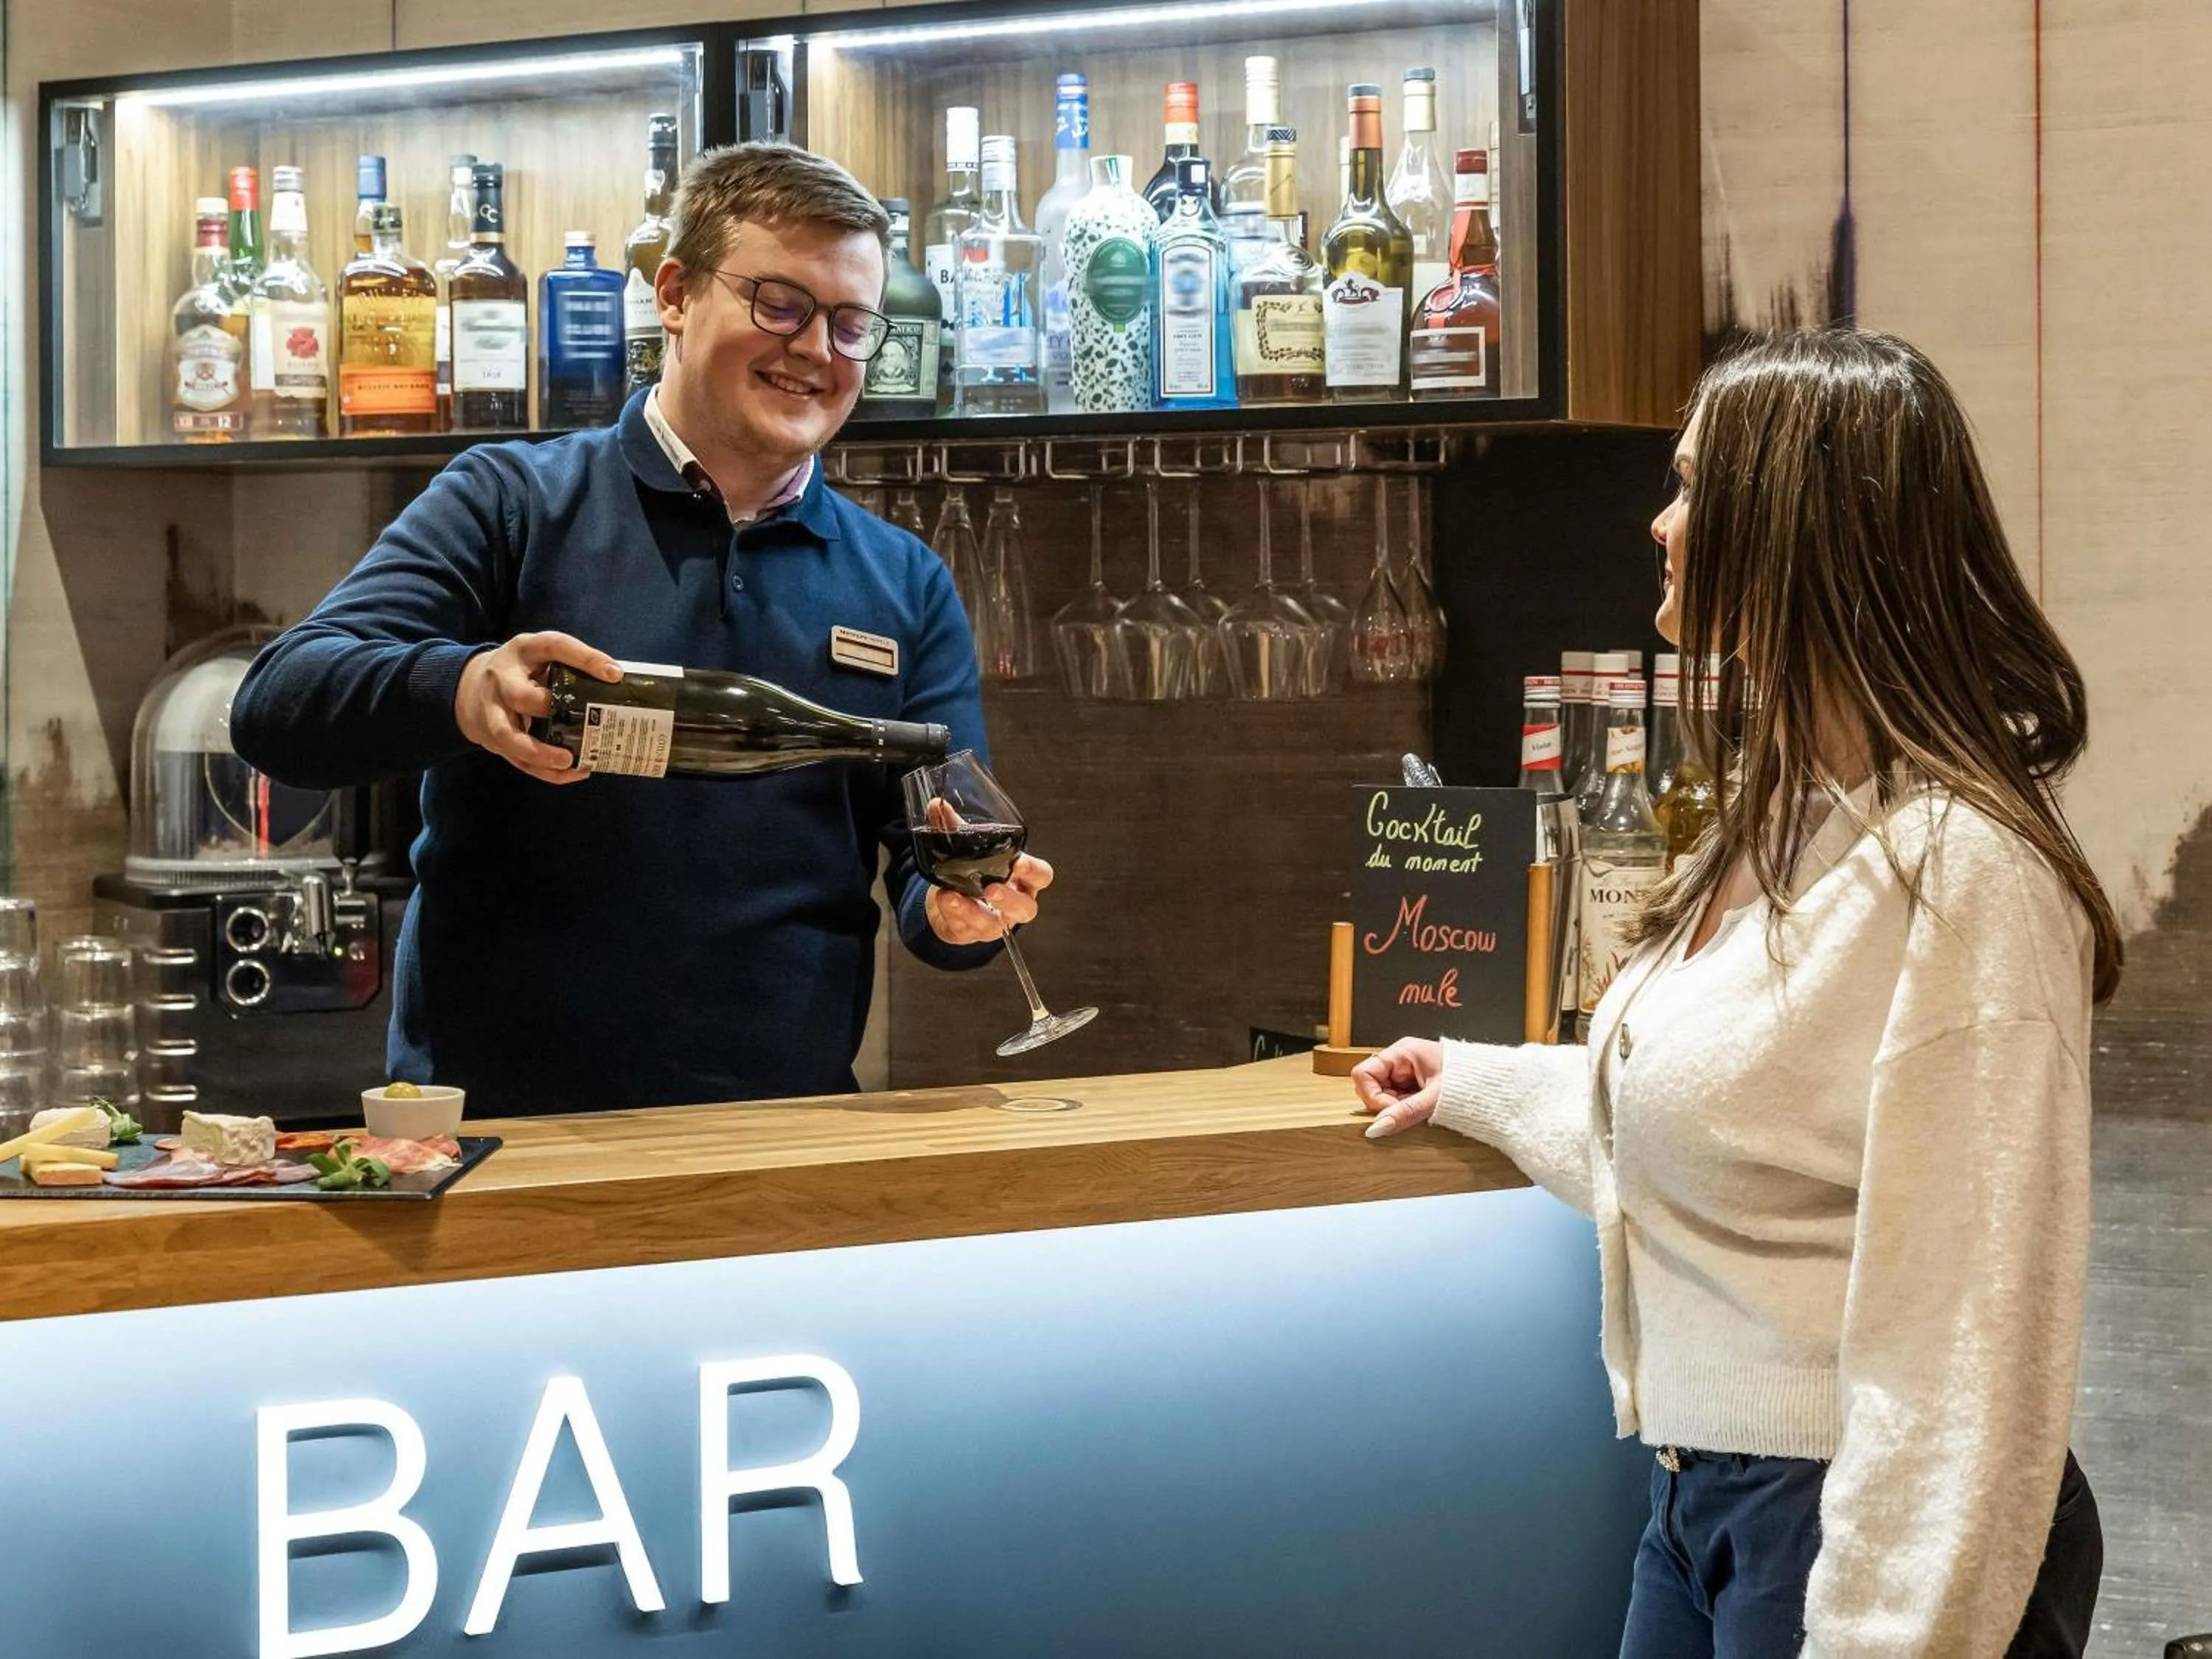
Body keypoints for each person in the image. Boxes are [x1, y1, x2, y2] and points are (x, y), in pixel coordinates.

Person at [1354, 329, 2118, 1658]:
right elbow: (1718, 1124)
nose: (1660, 522)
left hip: (1850, 1527)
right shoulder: (1791, 822)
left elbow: (1972, 1344)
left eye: (1696, 486)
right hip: (1702, 1497)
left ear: (1801, 526)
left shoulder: (1964, 871)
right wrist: (1476, 1080)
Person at [232, 144, 1049, 1116]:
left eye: (850, 323)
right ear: (674, 292)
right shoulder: (511, 502)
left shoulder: (902, 580)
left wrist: (959, 912)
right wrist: (465, 689)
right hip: (503, 1139)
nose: (816, 351)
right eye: (778, 305)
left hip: (781, 1139)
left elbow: (927, 863)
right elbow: (278, 704)